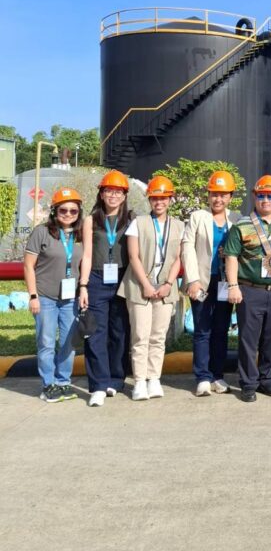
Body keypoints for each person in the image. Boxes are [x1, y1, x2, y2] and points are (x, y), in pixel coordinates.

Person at [224, 175, 271, 402]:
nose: (265, 200)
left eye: (270, 196)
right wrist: (233, 286)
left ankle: (266, 380)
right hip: (249, 290)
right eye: (261, 196)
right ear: (255, 197)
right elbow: (231, 257)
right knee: (248, 339)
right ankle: (248, 384)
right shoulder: (242, 226)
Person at [118, 175, 184, 401]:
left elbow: (178, 258)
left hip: (165, 288)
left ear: (170, 199)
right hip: (139, 287)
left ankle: (154, 378)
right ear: (149, 200)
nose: (159, 202)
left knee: (158, 336)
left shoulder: (179, 226)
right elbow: (133, 256)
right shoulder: (139, 223)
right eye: (155, 198)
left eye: (164, 198)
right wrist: (146, 285)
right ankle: (139, 381)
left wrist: (168, 284)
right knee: (140, 335)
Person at [181, 170, 240, 397]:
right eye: (214, 194)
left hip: (226, 282)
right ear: (208, 195)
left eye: (223, 195)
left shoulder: (236, 219)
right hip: (202, 281)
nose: (218, 199)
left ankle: (217, 375)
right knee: (202, 329)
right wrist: (192, 280)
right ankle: (203, 377)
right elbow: (187, 247)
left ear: (230, 196)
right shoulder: (198, 217)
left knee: (221, 329)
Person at [78, 170, 133, 407]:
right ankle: (98, 385)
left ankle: (116, 379)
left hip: (123, 278)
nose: (113, 195)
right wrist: (83, 286)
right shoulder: (91, 220)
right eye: (109, 191)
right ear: (101, 194)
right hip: (97, 279)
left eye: (118, 192)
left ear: (124, 196)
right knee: (95, 333)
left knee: (120, 332)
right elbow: (87, 255)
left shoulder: (131, 219)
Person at [23, 187, 84, 403]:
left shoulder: (81, 234)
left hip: (70, 299)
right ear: (54, 211)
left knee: (68, 343)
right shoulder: (41, 232)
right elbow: (28, 266)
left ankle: (63, 381)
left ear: (79, 212)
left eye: (73, 211)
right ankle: (48, 384)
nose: (68, 214)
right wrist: (33, 296)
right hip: (45, 297)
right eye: (63, 210)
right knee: (46, 342)